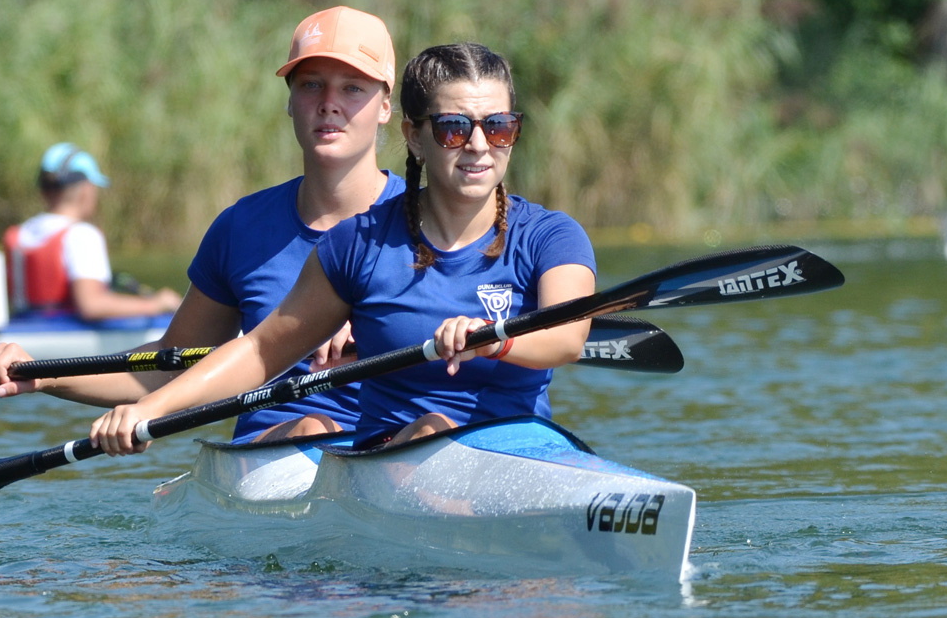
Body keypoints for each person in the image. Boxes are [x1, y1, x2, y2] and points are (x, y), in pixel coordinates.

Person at [89, 42, 597, 457]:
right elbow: (263, 350)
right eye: (453, 128)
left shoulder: (552, 236)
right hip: (392, 457)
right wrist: (150, 410)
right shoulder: (358, 244)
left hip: (525, 451)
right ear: (414, 138)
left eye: (500, 126)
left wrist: (495, 341)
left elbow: (566, 338)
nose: (480, 145)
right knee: (431, 428)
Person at [0, 5, 405, 442]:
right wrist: (45, 376)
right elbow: (165, 366)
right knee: (312, 427)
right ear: (290, 102)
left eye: (352, 88)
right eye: (311, 85)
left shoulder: (428, 221)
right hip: (275, 449)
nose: (329, 104)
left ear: (385, 106)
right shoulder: (242, 228)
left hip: (397, 447)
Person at [4, 142, 183, 321]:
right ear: (85, 190)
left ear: (44, 190)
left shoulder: (21, 233)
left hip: (23, 326)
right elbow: (91, 306)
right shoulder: (83, 235)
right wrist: (155, 305)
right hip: (66, 333)